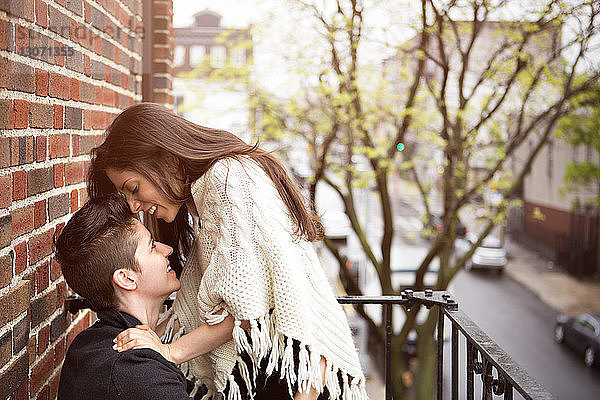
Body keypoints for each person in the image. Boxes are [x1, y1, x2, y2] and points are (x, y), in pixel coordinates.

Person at [88, 102, 367, 400]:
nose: (133, 206)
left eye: (133, 187)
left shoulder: (228, 180)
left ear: (165, 157)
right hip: (282, 370)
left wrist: (168, 350)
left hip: (294, 378)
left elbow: (245, 308)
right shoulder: (212, 192)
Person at [54, 194, 234, 399]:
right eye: (152, 246)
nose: (168, 250)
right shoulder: (137, 373)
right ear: (126, 278)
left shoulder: (88, 343)